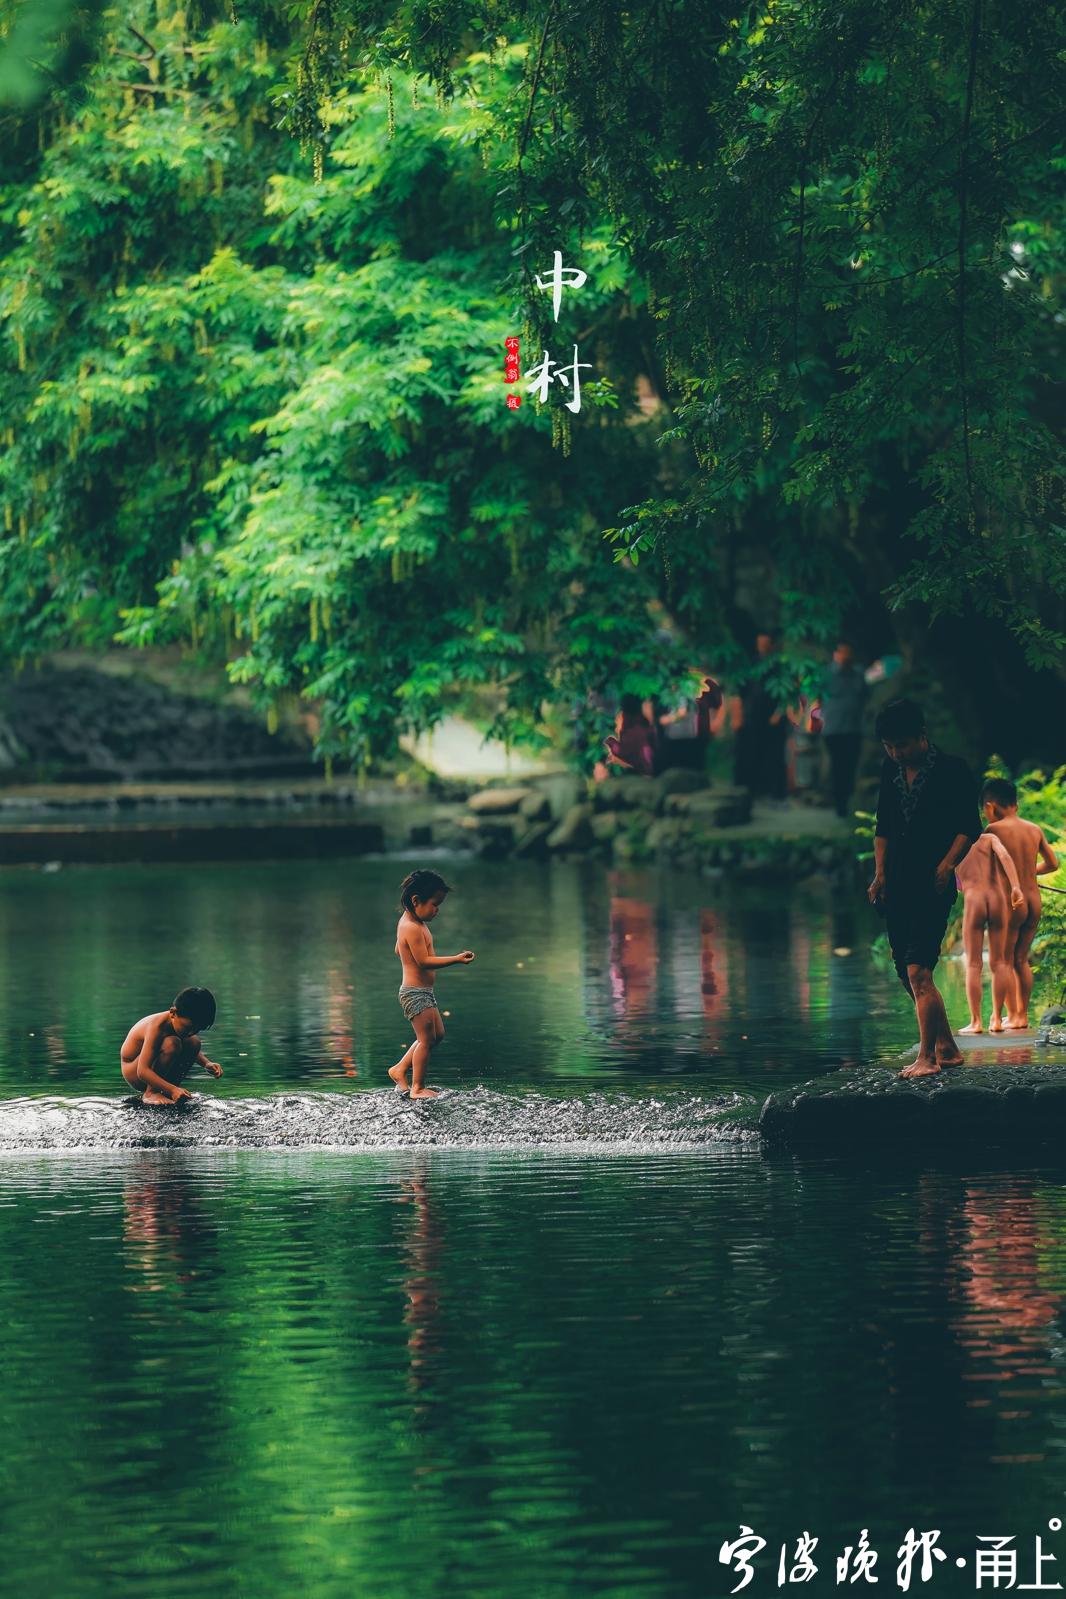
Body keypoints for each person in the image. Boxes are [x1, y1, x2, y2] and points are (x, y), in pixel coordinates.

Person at [867, 699, 979, 1078]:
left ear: (921, 736)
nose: (896, 753)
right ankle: (947, 1047)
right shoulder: (891, 770)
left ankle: (927, 1058)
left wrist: (947, 865)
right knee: (905, 970)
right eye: (889, 746)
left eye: (901, 745)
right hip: (897, 881)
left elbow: (969, 826)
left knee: (919, 970)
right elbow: (883, 826)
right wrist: (880, 874)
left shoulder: (952, 770)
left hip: (933, 882)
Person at [388, 869, 475, 1100]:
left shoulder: (410, 922)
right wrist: (456, 959)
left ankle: (399, 1069)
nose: (437, 910)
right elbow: (424, 962)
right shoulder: (412, 927)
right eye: (435, 904)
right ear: (416, 900)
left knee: (437, 1035)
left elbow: (398, 949)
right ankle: (417, 1088)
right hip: (415, 993)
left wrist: (406, 949)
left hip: (424, 992)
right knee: (426, 1040)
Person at [982, 777, 1060, 1030]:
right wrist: (1027, 871)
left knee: (1002, 961)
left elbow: (984, 870)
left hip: (1011, 903)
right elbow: (1053, 864)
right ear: (1014, 803)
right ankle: (1021, 1015)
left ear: (990, 806)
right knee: (1020, 959)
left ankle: (1010, 1016)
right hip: (1034, 901)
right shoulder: (1034, 829)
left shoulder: (993, 831)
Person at [955, 826, 1026, 1035]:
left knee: (973, 964)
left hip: (974, 900)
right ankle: (996, 1019)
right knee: (1000, 962)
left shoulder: (952, 845)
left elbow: (953, 880)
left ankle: (976, 1021)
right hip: (996, 899)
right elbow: (1004, 855)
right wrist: (1015, 887)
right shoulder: (988, 839)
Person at [120, 987, 222, 1104]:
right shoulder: (157, 1027)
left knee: (194, 1042)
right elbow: (142, 1071)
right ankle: (151, 1093)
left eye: (197, 1030)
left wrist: (206, 1063)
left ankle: (171, 1090)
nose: (191, 1033)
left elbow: (191, 1043)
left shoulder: (181, 1026)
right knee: (172, 1043)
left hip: (150, 1070)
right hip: (134, 1072)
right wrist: (172, 1090)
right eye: (188, 1028)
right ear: (173, 1013)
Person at [731, 631, 788, 801]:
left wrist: (778, 714)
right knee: (749, 754)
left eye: (765, 643)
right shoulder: (749, 664)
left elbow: (787, 696)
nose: (762, 646)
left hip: (773, 719)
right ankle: (748, 790)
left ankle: (775, 793)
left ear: (771, 645)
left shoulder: (779, 665)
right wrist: (737, 716)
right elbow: (738, 693)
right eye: (760, 643)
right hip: (751, 717)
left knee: (774, 756)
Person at [821, 641, 868, 817]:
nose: (846, 656)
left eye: (848, 652)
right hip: (834, 729)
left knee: (851, 766)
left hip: (854, 729)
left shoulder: (859, 674)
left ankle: (848, 802)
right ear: (836, 654)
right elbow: (814, 697)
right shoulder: (826, 674)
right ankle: (840, 805)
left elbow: (865, 696)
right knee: (838, 766)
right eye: (842, 652)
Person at [599, 693, 655, 779]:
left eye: (617, 725)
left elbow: (621, 751)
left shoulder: (632, 733)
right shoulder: (643, 728)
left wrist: (611, 742)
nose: (616, 729)